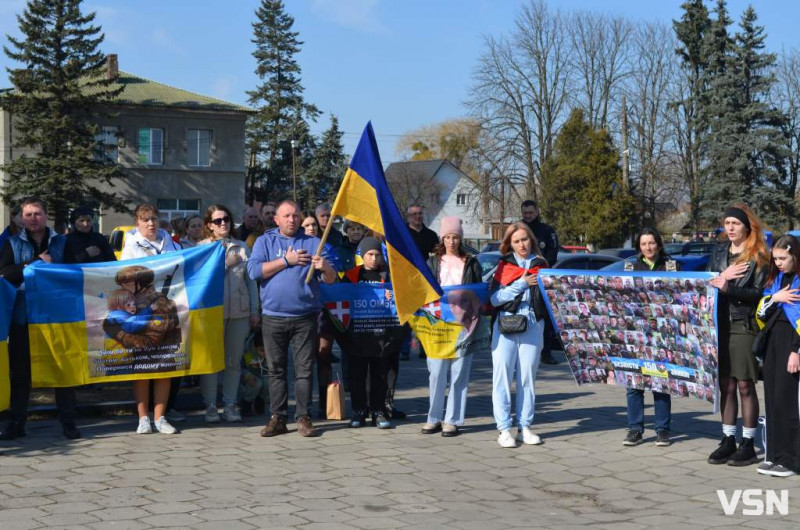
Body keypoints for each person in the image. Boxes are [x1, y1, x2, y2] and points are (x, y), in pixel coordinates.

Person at [247, 200, 337, 438]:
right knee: (276, 371)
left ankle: (303, 417)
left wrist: (325, 267)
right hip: (273, 317)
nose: (292, 219)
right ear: (276, 219)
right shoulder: (265, 241)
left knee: (304, 369)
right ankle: (278, 418)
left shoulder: (314, 243)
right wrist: (286, 261)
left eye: (295, 215)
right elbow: (254, 271)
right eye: (286, 215)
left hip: (305, 317)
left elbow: (330, 279)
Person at [0, 197, 79, 440]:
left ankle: (68, 422)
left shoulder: (63, 242)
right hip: (23, 316)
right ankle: (17, 423)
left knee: (62, 370)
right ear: (21, 218)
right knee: (20, 373)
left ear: (46, 216)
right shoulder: (12, 243)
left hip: (56, 316)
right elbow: (5, 274)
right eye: (28, 215)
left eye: (38, 214)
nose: (33, 219)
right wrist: (35, 262)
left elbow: (75, 273)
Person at [706, 204, 769, 466]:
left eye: (736, 223)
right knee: (726, 386)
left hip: (742, 325)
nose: (730, 228)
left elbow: (757, 295)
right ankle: (728, 439)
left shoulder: (759, 256)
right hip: (719, 325)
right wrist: (723, 276)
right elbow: (708, 283)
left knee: (744, 384)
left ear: (747, 226)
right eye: (727, 223)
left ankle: (748, 443)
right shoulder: (719, 252)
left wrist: (728, 286)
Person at [120, 203, 183, 435]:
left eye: (154, 219)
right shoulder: (131, 244)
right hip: (141, 313)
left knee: (164, 366)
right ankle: (143, 418)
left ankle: (161, 417)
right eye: (145, 220)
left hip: (167, 311)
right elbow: (125, 274)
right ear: (137, 223)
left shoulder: (171, 243)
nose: (151, 223)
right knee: (143, 367)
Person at [199, 205, 260, 423]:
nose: (223, 223)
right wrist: (225, 265)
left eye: (226, 219)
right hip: (212, 314)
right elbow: (201, 281)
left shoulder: (242, 247)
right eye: (217, 221)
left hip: (239, 313)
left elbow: (251, 282)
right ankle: (211, 406)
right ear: (209, 225)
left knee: (234, 362)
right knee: (211, 362)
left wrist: (255, 310)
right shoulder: (201, 248)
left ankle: (231, 404)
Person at [489, 222, 548, 448]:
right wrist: (521, 284)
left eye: (524, 239)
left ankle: (525, 427)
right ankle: (504, 429)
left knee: (526, 378)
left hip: (533, 326)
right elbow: (494, 299)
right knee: (502, 377)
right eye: (516, 241)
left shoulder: (541, 264)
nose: (522, 244)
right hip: (506, 326)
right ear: (509, 244)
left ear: (531, 239)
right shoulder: (504, 265)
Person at [421, 217, 482, 437]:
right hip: (437, 325)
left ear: (461, 238)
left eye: (455, 237)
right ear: (442, 238)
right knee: (436, 372)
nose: (452, 241)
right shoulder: (433, 262)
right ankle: (434, 417)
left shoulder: (472, 262)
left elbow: (478, 292)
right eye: (447, 237)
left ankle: (453, 419)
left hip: (464, 325)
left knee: (459, 374)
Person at [622, 228, 680, 448]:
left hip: (662, 333)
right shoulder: (630, 266)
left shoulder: (672, 266)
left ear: (659, 244)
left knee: (661, 381)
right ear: (639, 247)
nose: (648, 248)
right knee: (634, 383)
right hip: (636, 332)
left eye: (652, 243)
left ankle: (663, 430)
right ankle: (635, 429)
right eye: (644, 244)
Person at [343, 237, 402, 429]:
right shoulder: (351, 276)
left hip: (381, 335)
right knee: (357, 374)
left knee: (380, 374)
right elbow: (339, 298)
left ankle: (378, 411)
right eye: (370, 254)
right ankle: (359, 411)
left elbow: (398, 300)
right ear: (362, 255)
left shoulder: (387, 275)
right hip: (357, 335)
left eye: (377, 254)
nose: (374, 258)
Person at [754, 235, 800, 477]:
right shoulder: (777, 279)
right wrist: (775, 297)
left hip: (791, 345)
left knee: (787, 401)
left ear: (795, 256)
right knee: (772, 399)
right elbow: (761, 310)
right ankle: (773, 454)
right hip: (772, 342)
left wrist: (796, 351)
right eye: (776, 258)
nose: (779, 263)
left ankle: (790, 459)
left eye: (783, 258)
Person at [521, 200, 560, 366]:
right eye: (525, 213)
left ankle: (546, 352)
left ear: (537, 212)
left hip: (542, 278)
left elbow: (553, 253)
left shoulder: (547, 230)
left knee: (544, 317)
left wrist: (541, 268)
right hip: (522, 278)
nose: (528, 216)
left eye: (530, 212)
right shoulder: (518, 230)